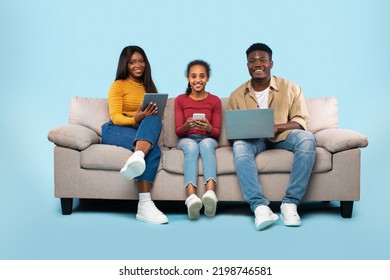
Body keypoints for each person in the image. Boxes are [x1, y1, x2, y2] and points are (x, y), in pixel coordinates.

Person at [228, 43, 316, 230]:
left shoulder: (291, 87)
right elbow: (232, 132)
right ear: (247, 65)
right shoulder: (236, 95)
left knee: (307, 139)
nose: (257, 64)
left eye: (262, 60)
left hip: (283, 137)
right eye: (252, 61)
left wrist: (277, 127)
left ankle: (290, 204)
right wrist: (244, 132)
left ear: (271, 63)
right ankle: (260, 207)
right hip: (254, 141)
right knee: (239, 146)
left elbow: (301, 120)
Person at [101, 45, 168, 225]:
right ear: (125, 64)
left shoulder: (149, 87)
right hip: (114, 130)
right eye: (132, 62)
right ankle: (145, 205)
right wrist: (135, 118)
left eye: (141, 61)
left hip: (138, 132)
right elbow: (115, 117)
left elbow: (151, 121)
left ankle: (138, 157)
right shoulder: (118, 85)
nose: (138, 65)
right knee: (152, 150)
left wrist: (147, 117)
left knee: (154, 122)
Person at [174, 60, 222, 220]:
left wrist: (207, 127)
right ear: (188, 78)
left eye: (202, 76)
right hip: (187, 138)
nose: (198, 80)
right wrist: (187, 125)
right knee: (191, 147)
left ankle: (210, 194)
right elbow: (178, 132)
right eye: (193, 76)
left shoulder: (215, 101)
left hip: (207, 138)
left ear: (207, 78)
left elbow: (216, 133)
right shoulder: (180, 100)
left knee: (207, 145)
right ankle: (192, 198)